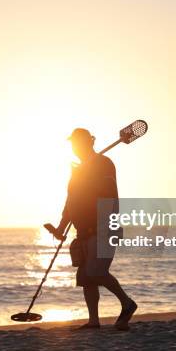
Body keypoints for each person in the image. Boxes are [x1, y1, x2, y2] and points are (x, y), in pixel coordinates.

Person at [45, 128, 137, 331]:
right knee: (86, 277)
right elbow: (70, 203)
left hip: (102, 227)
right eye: (73, 144)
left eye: (78, 143)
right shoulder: (78, 170)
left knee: (96, 271)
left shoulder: (103, 164)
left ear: (89, 142)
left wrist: (110, 225)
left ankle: (127, 303)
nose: (75, 147)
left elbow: (110, 194)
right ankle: (94, 321)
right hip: (82, 231)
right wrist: (61, 228)